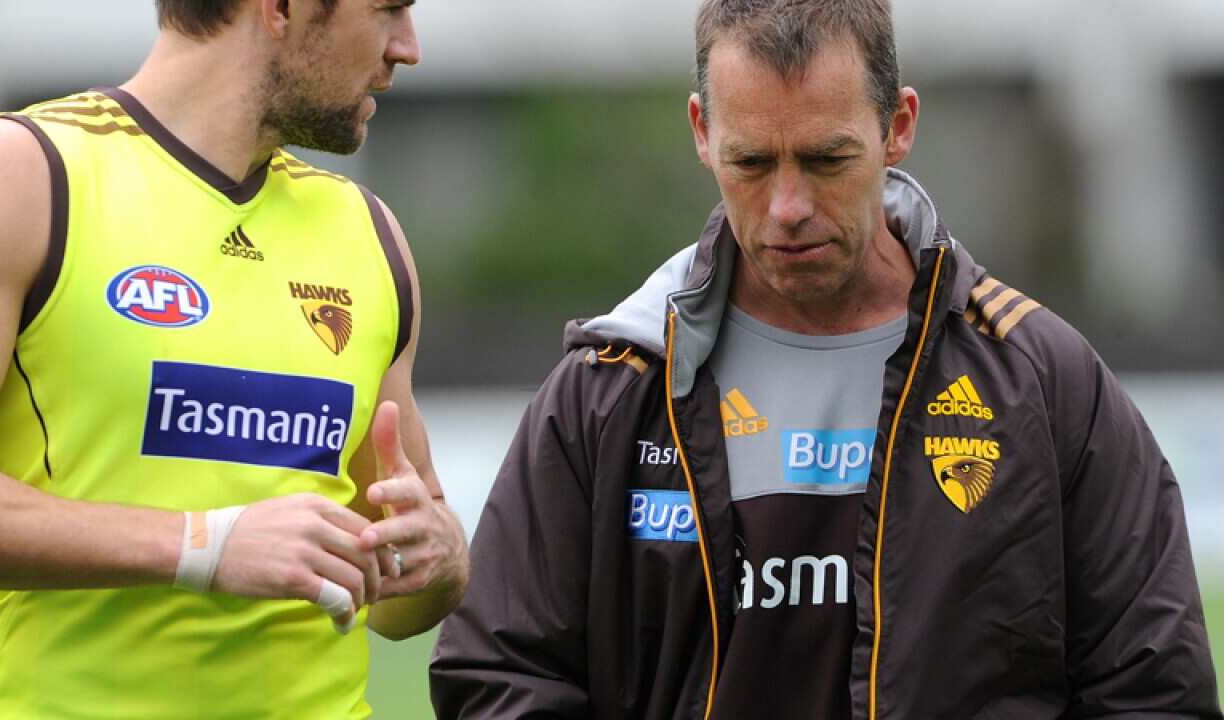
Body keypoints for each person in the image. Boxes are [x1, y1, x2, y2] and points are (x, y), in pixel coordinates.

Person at [429, 0, 1220, 717]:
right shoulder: (610, 389)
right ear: (701, 132)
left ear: (898, 126)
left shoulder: (1043, 381)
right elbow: (500, 670)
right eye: (751, 163)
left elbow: (1152, 688)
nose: (788, 208)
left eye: (825, 160)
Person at [0, 0, 469, 717]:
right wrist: (201, 546)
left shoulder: (367, 232)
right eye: (387, 10)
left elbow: (401, 599)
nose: (407, 48)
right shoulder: (24, 173)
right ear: (280, 9)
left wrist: (440, 558)